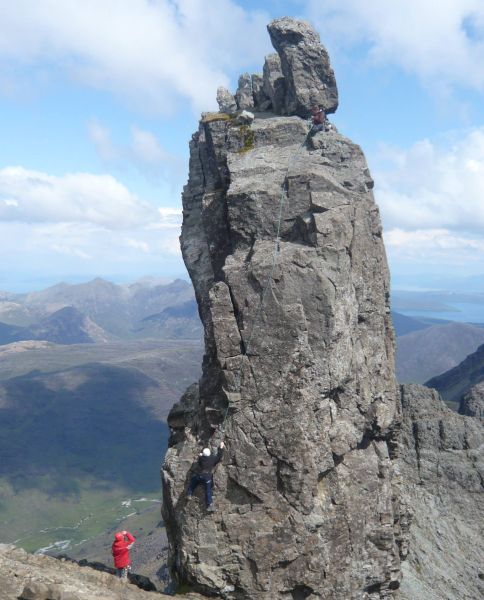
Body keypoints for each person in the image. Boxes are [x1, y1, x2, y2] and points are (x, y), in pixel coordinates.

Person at [188, 441, 225, 509]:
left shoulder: (201, 459)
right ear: (209, 454)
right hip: (207, 477)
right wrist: (221, 447)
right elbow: (219, 456)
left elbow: (200, 459)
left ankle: (189, 494)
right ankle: (209, 504)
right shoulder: (212, 459)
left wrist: (201, 455)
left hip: (200, 475)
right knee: (208, 490)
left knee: (193, 481)